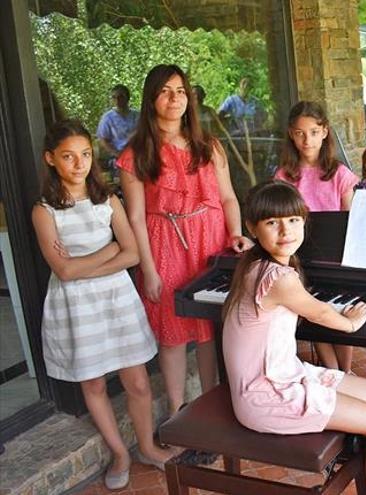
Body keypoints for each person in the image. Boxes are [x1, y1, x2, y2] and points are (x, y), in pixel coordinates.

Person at [223, 180, 366, 494]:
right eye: (273, 223)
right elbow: (322, 315)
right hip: (266, 394)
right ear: (252, 228)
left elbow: (308, 307)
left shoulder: (254, 264)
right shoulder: (278, 277)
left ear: (303, 221)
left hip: (285, 373)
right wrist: (351, 323)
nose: (286, 232)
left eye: (293, 221)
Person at [33, 120, 172, 489]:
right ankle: (120, 453)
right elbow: (62, 270)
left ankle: (145, 446)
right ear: (51, 159)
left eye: (85, 154)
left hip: (116, 299)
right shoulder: (45, 211)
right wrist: (107, 250)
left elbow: (131, 255)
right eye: (67, 156)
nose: (78, 164)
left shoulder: (107, 200)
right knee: (92, 383)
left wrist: (85, 264)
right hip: (76, 307)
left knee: (138, 382)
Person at [119, 64, 253, 417]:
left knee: (209, 325)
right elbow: (134, 217)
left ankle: (213, 404)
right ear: (151, 100)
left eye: (180, 90)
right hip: (163, 243)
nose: (174, 98)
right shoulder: (136, 153)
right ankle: (179, 411)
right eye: (165, 91)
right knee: (172, 331)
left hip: (210, 240)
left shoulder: (208, 146)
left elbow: (227, 198)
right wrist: (147, 270)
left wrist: (236, 233)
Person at [274, 100, 359, 372]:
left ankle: (345, 371)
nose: (306, 140)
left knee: (340, 312)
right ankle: (330, 369)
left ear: (324, 132)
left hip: (336, 257)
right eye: (299, 133)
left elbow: (351, 219)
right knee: (313, 312)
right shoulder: (284, 176)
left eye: (313, 132)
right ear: (291, 134)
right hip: (299, 259)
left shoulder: (340, 174)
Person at [96, 85, 139, 186]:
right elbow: (103, 140)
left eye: (121, 96)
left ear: (127, 98)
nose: (117, 100)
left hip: (138, 154)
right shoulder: (108, 118)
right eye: (114, 97)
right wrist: (117, 154)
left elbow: (144, 135)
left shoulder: (137, 116)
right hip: (118, 156)